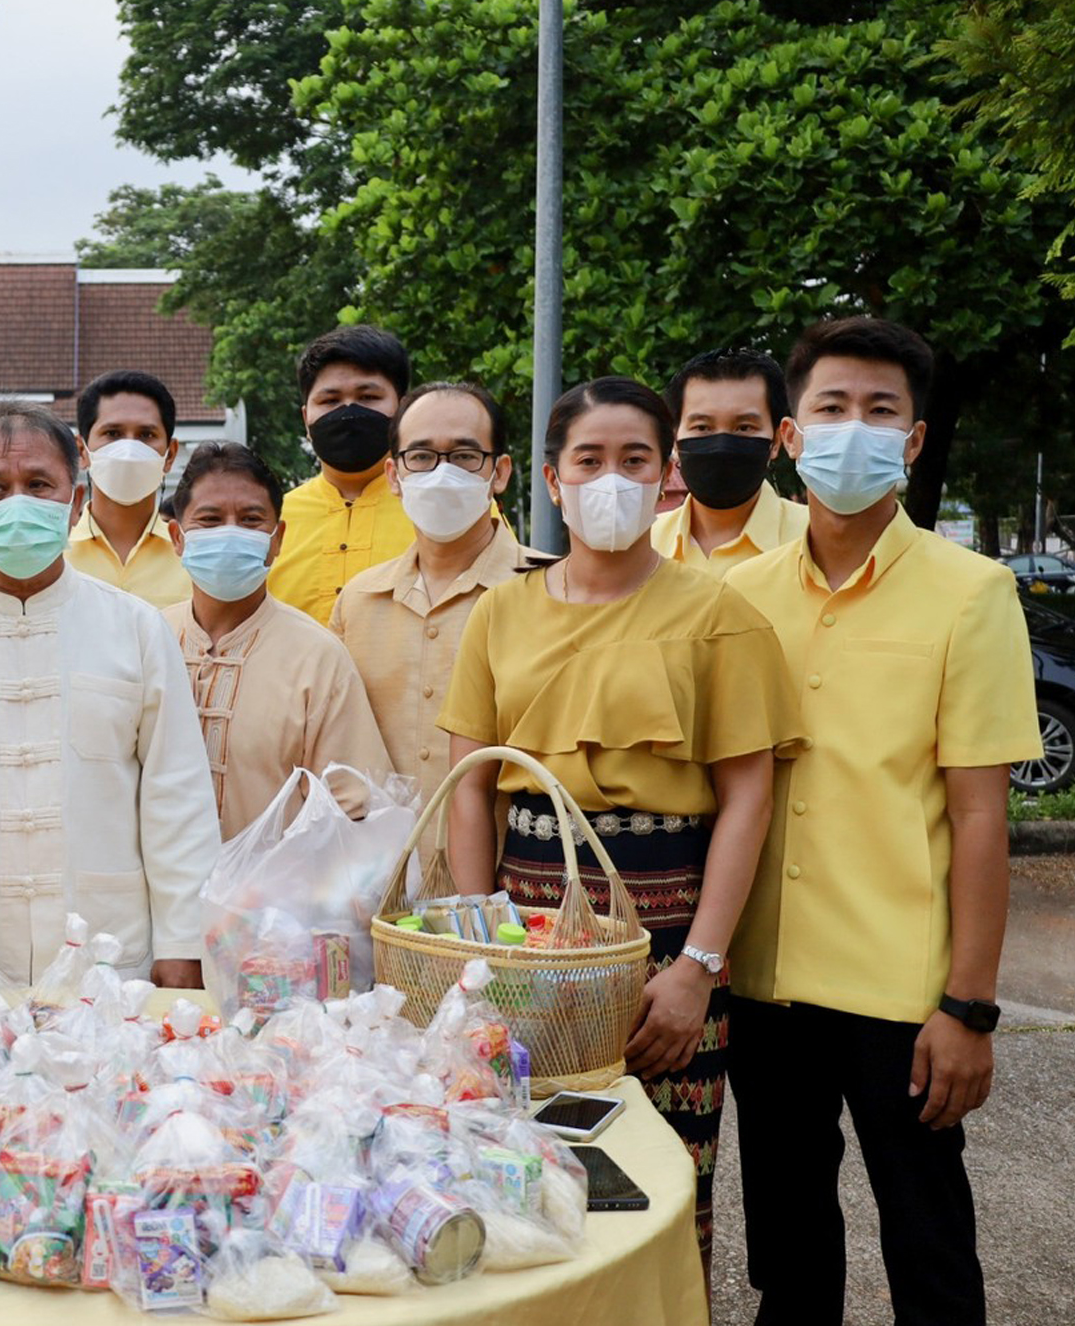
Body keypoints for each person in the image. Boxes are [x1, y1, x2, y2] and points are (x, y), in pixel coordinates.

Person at [437, 376, 802, 1267]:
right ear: (552, 480)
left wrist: (699, 968)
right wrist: (485, 947)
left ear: (665, 473)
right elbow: (468, 784)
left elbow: (749, 795)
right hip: (526, 927)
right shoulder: (501, 612)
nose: (611, 479)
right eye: (589, 460)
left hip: (669, 927)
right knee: (520, 1159)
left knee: (658, 1177)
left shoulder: (718, 613)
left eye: (634, 459)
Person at [724, 318, 1039, 1326]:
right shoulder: (739, 595)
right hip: (765, 981)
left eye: (878, 411)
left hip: (901, 991)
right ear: (787, 435)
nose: (850, 429)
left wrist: (969, 1007)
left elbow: (978, 815)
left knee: (927, 1245)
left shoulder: (969, 593)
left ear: (910, 441)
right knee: (786, 1249)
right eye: (829, 408)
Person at [0, 402, 219, 986]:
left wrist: (183, 943)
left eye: (38, 484)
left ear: (76, 502)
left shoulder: (136, 629)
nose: (18, 503)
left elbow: (176, 799)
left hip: (113, 954)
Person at [330, 381, 543, 861]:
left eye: (466, 456)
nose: (442, 473)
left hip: (510, 891)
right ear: (393, 475)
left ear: (500, 471)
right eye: (421, 457)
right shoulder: (358, 602)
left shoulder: (549, 591)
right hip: (379, 891)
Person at [160, 441, 389, 839]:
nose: (230, 533)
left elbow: (353, 810)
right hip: (156, 897)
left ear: (277, 538)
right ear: (178, 537)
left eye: (250, 520)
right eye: (210, 520)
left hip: (276, 898)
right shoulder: (150, 640)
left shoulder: (316, 657)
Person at [266, 325, 418, 625]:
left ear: (403, 410)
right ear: (306, 418)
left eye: (368, 396)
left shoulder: (448, 509)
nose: (349, 411)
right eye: (330, 401)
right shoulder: (269, 522)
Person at [649, 346, 807, 578]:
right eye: (702, 427)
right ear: (675, 440)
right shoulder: (644, 544)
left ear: (775, 441)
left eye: (744, 427)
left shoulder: (817, 542)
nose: (721, 444)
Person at [65, 369, 191, 607]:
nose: (129, 449)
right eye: (112, 434)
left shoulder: (194, 562)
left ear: (170, 454)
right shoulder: (52, 561)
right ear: (82, 451)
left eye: (146, 434)